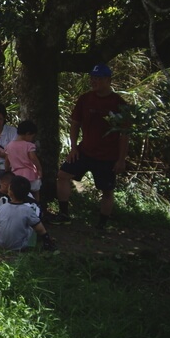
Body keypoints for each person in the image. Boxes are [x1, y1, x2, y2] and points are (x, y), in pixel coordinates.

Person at [55, 63, 129, 229]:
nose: (94, 81)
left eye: (99, 79)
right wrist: (73, 147)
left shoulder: (119, 103)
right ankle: (64, 213)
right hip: (85, 151)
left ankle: (102, 223)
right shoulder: (85, 99)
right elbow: (75, 123)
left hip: (107, 156)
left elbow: (125, 134)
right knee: (63, 175)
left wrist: (121, 159)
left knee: (107, 190)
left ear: (108, 80)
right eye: (93, 78)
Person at [0, 176, 56, 251]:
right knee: (31, 226)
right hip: (19, 247)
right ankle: (47, 244)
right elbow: (40, 229)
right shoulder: (28, 211)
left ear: (10, 192)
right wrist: (46, 238)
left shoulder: (2, 208)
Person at [5, 120, 43, 203]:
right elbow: (33, 158)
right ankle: (37, 206)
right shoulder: (29, 145)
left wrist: (7, 170)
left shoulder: (9, 146)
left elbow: (7, 160)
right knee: (36, 192)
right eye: (32, 137)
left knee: (18, 196)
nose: (32, 139)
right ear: (28, 134)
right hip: (30, 175)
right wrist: (39, 169)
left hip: (16, 176)